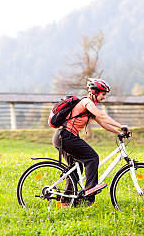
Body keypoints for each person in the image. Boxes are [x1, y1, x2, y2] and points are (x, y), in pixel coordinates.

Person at [52, 78, 129, 206]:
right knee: (92, 157)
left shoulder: (89, 108)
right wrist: (121, 126)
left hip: (62, 138)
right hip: (65, 137)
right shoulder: (86, 102)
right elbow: (102, 116)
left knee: (75, 169)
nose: (104, 98)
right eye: (103, 94)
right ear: (94, 92)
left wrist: (119, 133)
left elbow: (103, 123)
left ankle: (66, 201)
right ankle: (89, 190)